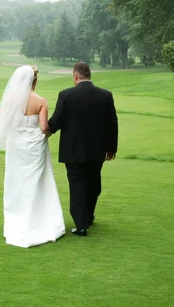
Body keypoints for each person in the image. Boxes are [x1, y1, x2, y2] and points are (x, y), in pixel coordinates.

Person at [0, 65, 65, 247]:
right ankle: (38, 220)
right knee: (36, 180)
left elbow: (4, 122)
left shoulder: (10, 100)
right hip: (33, 144)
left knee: (17, 180)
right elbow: (44, 128)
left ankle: (17, 217)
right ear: (35, 81)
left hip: (15, 144)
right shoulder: (41, 101)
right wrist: (46, 135)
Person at [46, 62, 118, 237]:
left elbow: (56, 122)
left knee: (77, 185)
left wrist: (42, 128)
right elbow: (112, 123)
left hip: (73, 151)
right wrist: (111, 148)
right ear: (89, 75)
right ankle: (89, 216)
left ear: (75, 76)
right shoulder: (105, 95)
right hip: (97, 150)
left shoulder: (66, 95)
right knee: (93, 183)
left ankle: (81, 225)